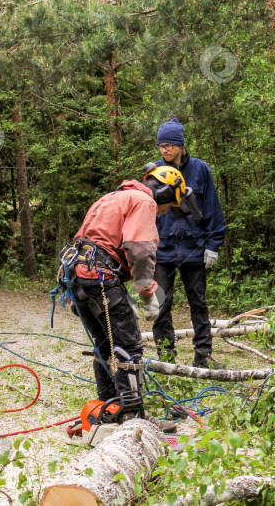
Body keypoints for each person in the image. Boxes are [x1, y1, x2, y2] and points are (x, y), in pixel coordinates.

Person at [63, 165, 191, 429]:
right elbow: (140, 248)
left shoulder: (113, 197)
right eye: (169, 206)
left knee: (105, 345)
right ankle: (134, 417)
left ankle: (110, 406)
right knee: (128, 346)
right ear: (166, 193)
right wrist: (147, 292)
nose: (165, 212)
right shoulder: (144, 201)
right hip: (99, 273)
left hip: (78, 273)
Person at [151, 118, 227, 369]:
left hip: (195, 250)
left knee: (199, 304)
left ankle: (203, 357)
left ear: (181, 145)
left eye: (170, 145)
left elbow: (212, 209)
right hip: (162, 251)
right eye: (161, 146)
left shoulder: (200, 169)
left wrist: (213, 245)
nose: (165, 150)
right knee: (161, 305)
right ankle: (166, 358)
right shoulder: (154, 174)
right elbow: (147, 213)